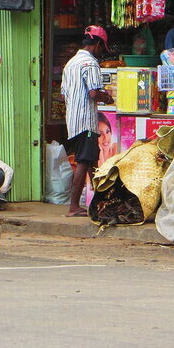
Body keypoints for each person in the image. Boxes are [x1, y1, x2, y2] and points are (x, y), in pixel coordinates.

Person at [61, 26, 114, 217]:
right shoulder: (90, 64)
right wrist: (107, 98)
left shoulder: (71, 63)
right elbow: (93, 93)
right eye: (102, 48)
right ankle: (74, 206)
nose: (101, 53)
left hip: (73, 121)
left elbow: (63, 94)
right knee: (84, 160)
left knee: (91, 158)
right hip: (86, 120)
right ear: (98, 44)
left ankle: (102, 201)